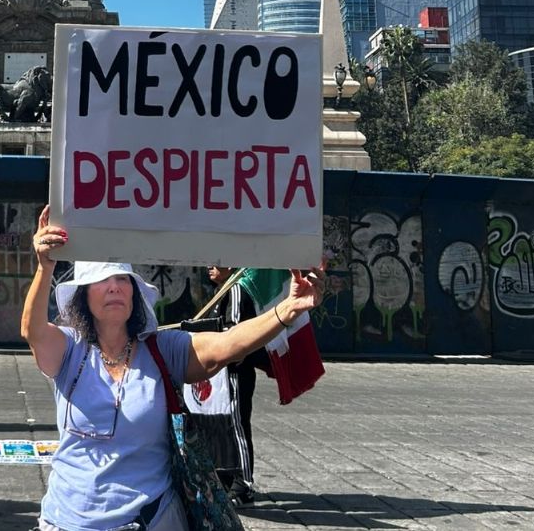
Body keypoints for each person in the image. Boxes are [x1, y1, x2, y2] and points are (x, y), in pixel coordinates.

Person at [20, 206, 325, 531]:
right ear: (83, 296)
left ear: (135, 293)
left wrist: (287, 309)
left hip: (150, 520)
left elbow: (228, 345)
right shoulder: (69, 351)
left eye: (122, 278)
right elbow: (32, 331)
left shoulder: (162, 349)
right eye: (101, 280)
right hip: (65, 521)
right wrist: (45, 267)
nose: (114, 287)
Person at [182, 266, 270, 505]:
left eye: (217, 262)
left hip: (235, 372)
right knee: (220, 424)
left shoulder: (237, 290)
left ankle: (244, 483)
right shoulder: (221, 291)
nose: (210, 267)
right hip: (218, 375)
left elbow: (237, 332)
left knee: (237, 425)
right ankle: (226, 476)